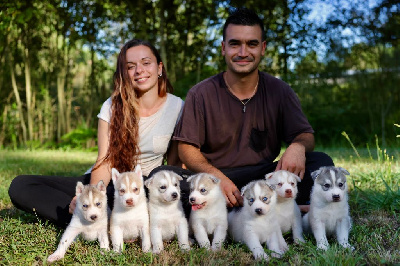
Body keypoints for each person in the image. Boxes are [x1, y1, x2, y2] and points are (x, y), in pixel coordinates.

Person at [149, 7, 334, 213]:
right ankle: (282, 210)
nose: (243, 52)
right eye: (235, 44)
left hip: (263, 178)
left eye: (251, 44)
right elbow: (186, 148)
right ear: (223, 48)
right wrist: (216, 179)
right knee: (161, 175)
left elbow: (305, 135)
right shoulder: (200, 93)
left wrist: (298, 147)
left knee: (321, 163)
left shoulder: (279, 90)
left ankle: (242, 210)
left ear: (263, 48)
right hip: (212, 180)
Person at [8, 39, 184, 228]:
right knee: (21, 185)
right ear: (124, 73)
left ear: (159, 68)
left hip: (142, 187)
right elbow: (105, 160)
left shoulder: (177, 107)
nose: (139, 70)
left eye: (146, 63)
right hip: (106, 184)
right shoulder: (112, 106)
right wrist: (89, 195)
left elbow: (173, 165)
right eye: (130, 66)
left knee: (154, 185)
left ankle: (99, 221)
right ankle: (88, 216)